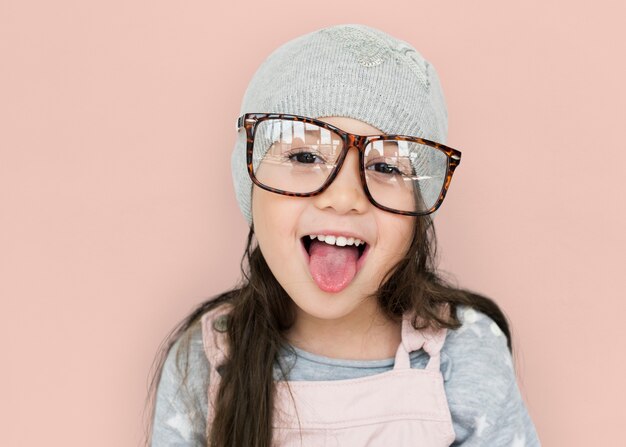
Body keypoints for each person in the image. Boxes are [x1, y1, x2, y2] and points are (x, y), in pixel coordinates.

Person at [144, 23, 541, 446]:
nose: (344, 196)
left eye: (385, 167)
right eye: (304, 155)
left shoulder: (465, 354)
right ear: (251, 182)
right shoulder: (207, 361)